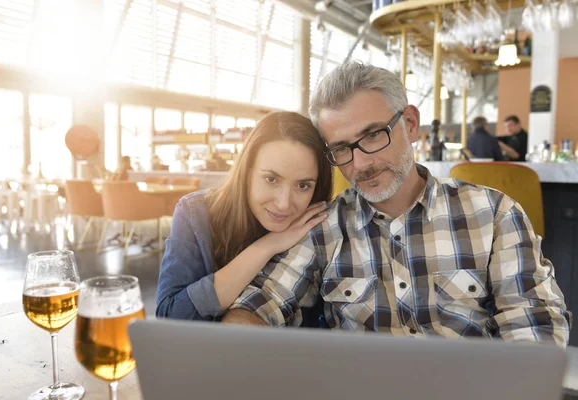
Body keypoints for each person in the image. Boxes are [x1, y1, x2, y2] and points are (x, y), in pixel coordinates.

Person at [223, 62, 571, 347]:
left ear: (410, 124)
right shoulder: (323, 229)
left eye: (373, 135)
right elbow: (257, 307)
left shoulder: (494, 215)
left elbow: (533, 330)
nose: (359, 165)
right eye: (342, 148)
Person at [156, 111, 333, 321]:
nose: (284, 203)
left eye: (303, 185)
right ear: (246, 171)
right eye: (271, 179)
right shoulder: (195, 214)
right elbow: (171, 315)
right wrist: (266, 247)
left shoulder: (322, 227)